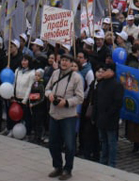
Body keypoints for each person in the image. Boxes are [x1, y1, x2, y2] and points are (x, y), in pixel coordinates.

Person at [45, 52, 86, 181]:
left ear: (71, 63)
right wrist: (50, 95)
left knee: (69, 145)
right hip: (54, 114)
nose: (64, 62)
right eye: (62, 60)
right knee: (53, 143)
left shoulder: (77, 78)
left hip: (68, 115)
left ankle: (68, 169)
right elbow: (47, 89)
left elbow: (80, 97)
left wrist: (67, 102)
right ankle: (57, 166)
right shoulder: (55, 73)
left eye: (67, 60)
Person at [93, 61, 124, 168]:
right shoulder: (101, 84)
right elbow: (95, 101)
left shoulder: (117, 85)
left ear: (111, 72)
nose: (102, 73)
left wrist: (107, 114)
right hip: (100, 118)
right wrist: (95, 115)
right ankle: (103, 161)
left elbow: (117, 103)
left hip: (111, 119)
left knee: (111, 142)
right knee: (103, 141)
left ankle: (112, 163)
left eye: (105, 70)